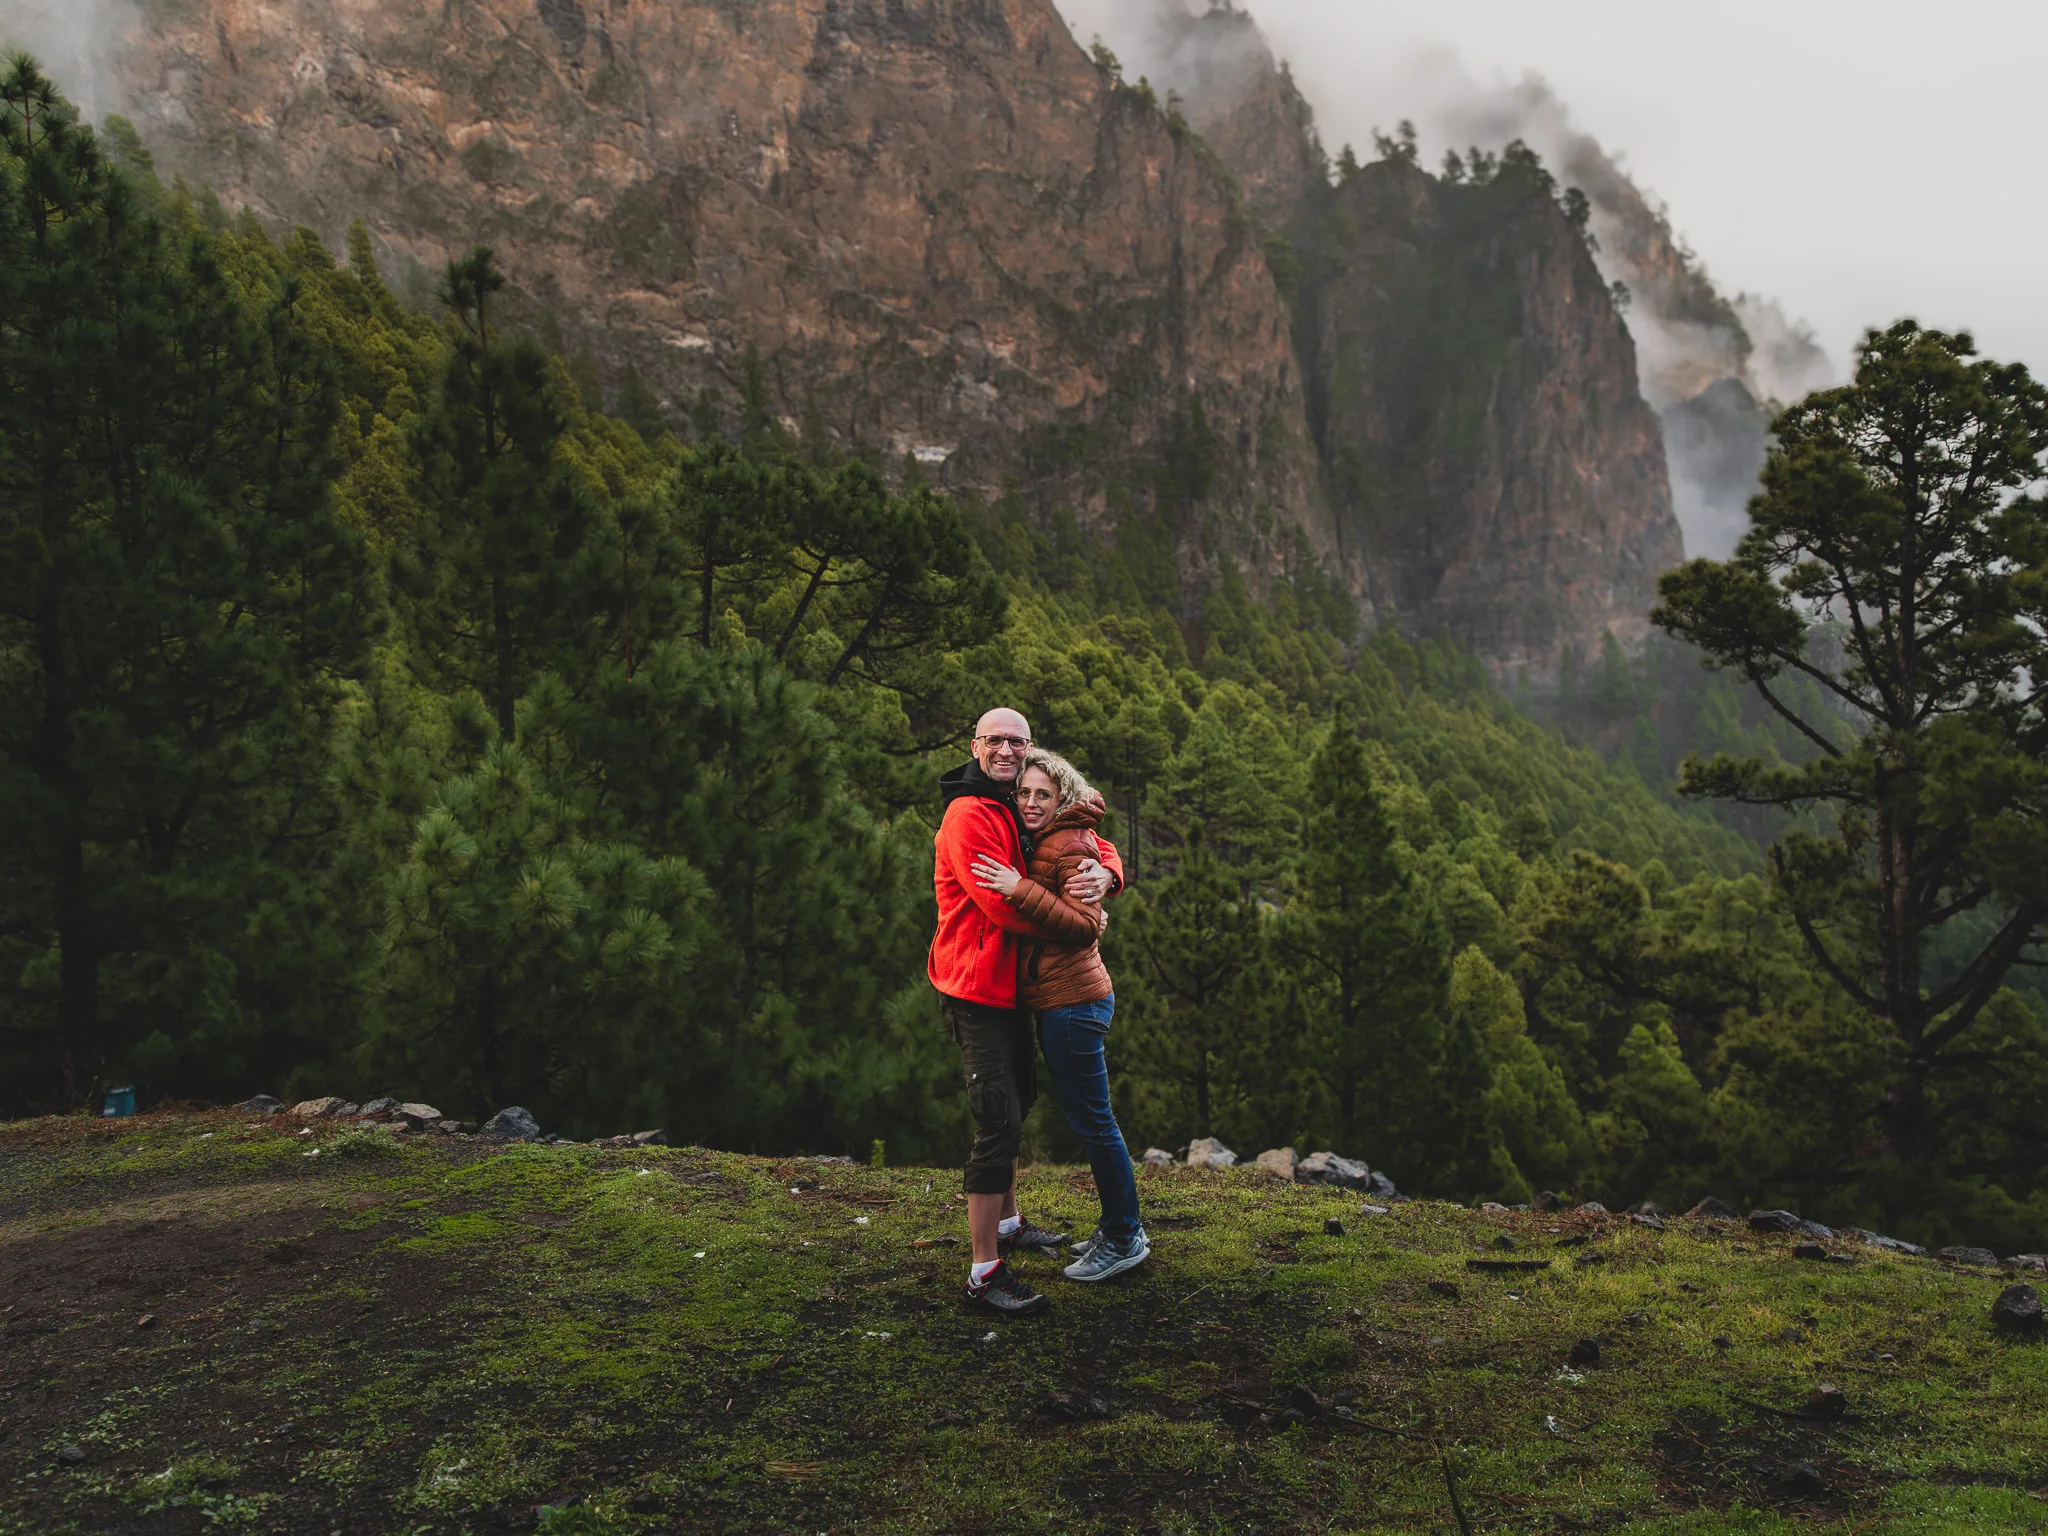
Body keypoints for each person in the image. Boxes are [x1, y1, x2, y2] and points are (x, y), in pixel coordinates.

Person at [930, 708, 1123, 1317]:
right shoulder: (969, 814)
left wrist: (1105, 873)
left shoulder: (1016, 796)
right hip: (975, 987)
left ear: (1030, 748)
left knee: (1019, 1105)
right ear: (975, 745)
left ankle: (1010, 1225)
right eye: (996, 742)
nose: (1008, 752)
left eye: (1017, 742)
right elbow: (1002, 908)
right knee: (998, 1123)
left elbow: (1090, 829)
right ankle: (984, 1272)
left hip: (1013, 987)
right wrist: (1082, 923)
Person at [973, 749, 1149, 1282]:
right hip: (1063, 998)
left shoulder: (1068, 842)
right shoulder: (1054, 835)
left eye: (1042, 795)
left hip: (1073, 1004)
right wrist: (1110, 867)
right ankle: (1121, 1225)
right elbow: (1101, 851)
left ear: (1061, 798)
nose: (1029, 802)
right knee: (1092, 1119)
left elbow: (1084, 926)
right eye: (1024, 793)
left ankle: (1124, 1237)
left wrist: (1017, 889)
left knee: (1095, 1122)